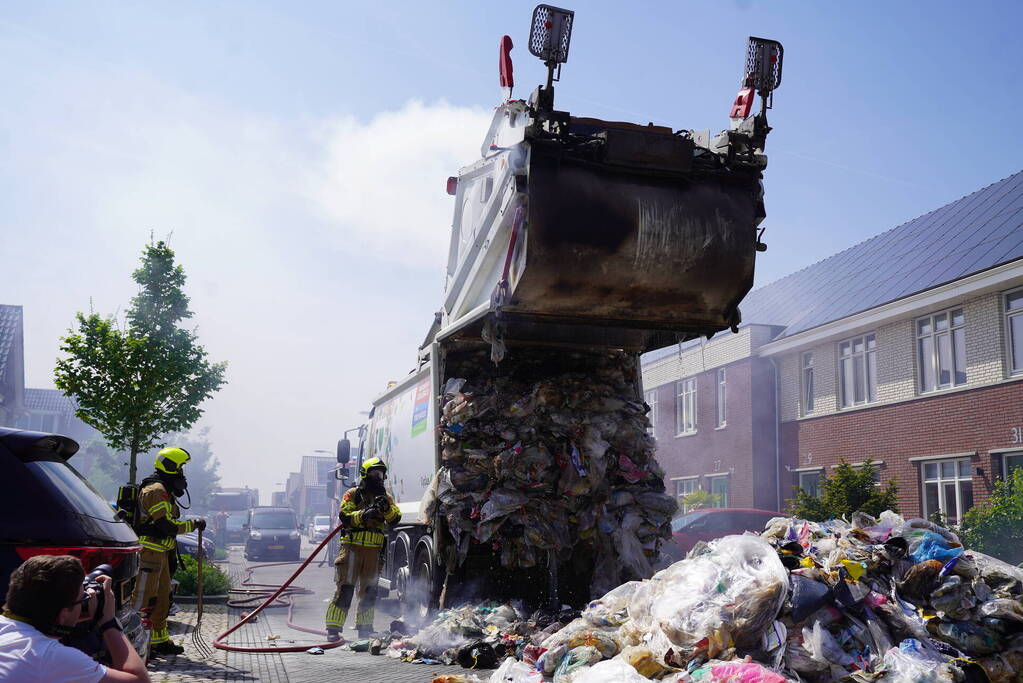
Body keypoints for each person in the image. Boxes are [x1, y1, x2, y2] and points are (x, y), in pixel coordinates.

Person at [0, 554, 151, 683]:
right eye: (83, 598)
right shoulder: (52, 656)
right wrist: (108, 622)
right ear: (63, 613)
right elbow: (140, 680)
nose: (84, 602)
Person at [130, 446, 204, 656]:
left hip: (160, 553)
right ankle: (134, 641)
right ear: (171, 467)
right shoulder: (155, 490)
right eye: (180, 468)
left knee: (163, 599)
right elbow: (166, 526)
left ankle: (158, 640)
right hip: (150, 553)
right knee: (143, 598)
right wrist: (193, 525)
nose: (182, 473)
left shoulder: (164, 490)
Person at [324, 457, 401, 641]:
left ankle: (365, 628)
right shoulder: (353, 494)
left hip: (374, 553)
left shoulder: (386, 497)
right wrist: (364, 514)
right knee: (345, 589)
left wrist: (386, 509)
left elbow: (395, 519)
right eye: (375, 473)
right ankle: (333, 629)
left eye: (381, 474)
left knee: (369, 592)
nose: (378, 477)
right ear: (365, 474)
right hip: (352, 550)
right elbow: (345, 515)